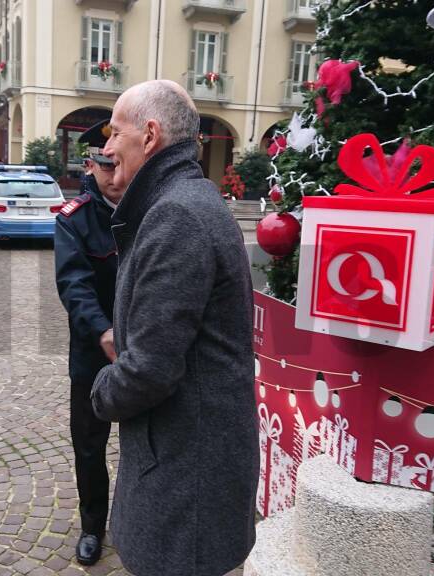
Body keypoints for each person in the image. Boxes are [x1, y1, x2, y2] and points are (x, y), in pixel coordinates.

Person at [91, 80, 258, 576]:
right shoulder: (186, 202)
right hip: (190, 463)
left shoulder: (177, 215)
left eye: (114, 133)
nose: (106, 148)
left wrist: (100, 392)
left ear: (149, 136)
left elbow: (150, 369)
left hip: (188, 476)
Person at [53, 119, 122, 566]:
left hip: (146, 351)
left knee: (145, 442)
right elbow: (73, 286)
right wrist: (103, 332)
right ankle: (93, 525)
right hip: (94, 353)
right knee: (90, 445)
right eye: (106, 165)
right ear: (90, 164)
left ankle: (141, 519)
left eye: (121, 164)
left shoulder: (151, 211)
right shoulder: (73, 220)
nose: (115, 176)